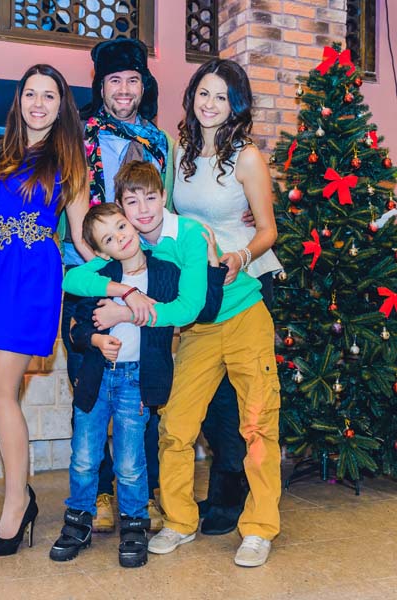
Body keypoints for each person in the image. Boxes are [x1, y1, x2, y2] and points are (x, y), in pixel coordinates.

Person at [63, 159, 281, 567]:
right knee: (175, 426)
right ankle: (180, 521)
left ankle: (259, 528)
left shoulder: (191, 233)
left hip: (244, 318)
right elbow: (74, 279)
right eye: (132, 202)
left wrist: (126, 313)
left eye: (150, 198)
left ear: (164, 197)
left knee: (257, 424)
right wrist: (125, 291)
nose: (143, 210)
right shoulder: (132, 244)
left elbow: (189, 307)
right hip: (200, 334)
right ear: (121, 209)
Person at [50, 170, 225, 568]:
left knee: (131, 461)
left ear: (133, 225)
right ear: (103, 252)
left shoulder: (163, 271)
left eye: (121, 227)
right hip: (96, 379)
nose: (120, 238)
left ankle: (134, 525)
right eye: (108, 239)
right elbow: (75, 307)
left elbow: (201, 308)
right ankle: (78, 522)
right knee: (84, 457)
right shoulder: (102, 275)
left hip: (136, 380)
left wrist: (213, 264)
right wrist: (104, 327)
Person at [0, 64, 92, 556]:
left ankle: (16, 505)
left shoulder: (70, 160)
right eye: (30, 94)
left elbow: (81, 235)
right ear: (18, 101)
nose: (38, 104)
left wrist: (122, 273)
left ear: (62, 106)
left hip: (30, 281)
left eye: (49, 96)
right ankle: (24, 495)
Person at [59, 36, 174, 534]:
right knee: (89, 385)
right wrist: (107, 277)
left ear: (144, 85)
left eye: (133, 80)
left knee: (144, 387)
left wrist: (145, 274)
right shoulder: (79, 136)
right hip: (89, 271)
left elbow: (163, 211)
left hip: (144, 275)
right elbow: (75, 213)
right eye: (114, 81)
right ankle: (100, 493)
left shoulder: (158, 140)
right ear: (100, 86)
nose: (124, 90)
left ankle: (140, 495)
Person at [172, 58, 283, 536]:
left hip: (245, 282)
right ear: (192, 97)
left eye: (221, 96)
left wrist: (239, 255)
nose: (210, 103)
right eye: (204, 93)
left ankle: (233, 496)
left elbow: (268, 230)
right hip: (200, 288)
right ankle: (224, 488)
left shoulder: (247, 157)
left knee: (243, 403)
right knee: (204, 400)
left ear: (235, 105)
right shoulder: (179, 149)